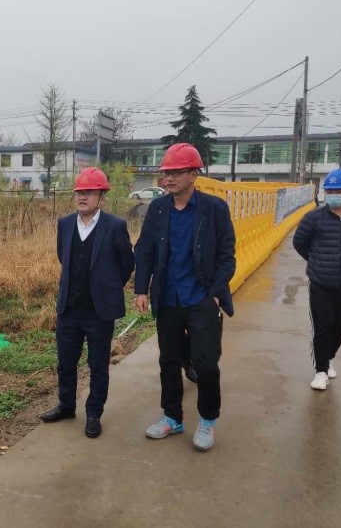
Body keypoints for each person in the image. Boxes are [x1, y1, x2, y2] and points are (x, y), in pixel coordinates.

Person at [134, 143, 236, 451]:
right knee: (168, 361)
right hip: (168, 298)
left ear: (194, 174)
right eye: (166, 173)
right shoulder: (158, 209)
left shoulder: (214, 208)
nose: (168, 178)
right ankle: (172, 417)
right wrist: (141, 289)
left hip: (201, 297)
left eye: (176, 172)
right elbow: (145, 250)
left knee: (206, 364)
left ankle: (207, 420)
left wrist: (215, 294)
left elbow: (227, 255)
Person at [40, 167, 135, 438]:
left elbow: (126, 263)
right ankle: (66, 406)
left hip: (99, 312)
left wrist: (107, 287)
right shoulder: (65, 224)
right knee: (65, 362)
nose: (83, 197)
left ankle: (94, 414)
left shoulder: (115, 226)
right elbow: (64, 257)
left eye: (90, 192)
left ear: (102, 197)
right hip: (69, 308)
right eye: (79, 192)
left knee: (98, 366)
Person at [292, 168, 341, 391]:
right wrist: (316, 261)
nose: (333, 195)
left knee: (340, 327)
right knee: (322, 328)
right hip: (321, 282)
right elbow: (299, 242)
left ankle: (329, 357)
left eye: (338, 191)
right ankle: (321, 371)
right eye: (329, 191)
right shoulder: (313, 218)